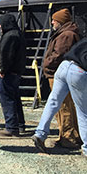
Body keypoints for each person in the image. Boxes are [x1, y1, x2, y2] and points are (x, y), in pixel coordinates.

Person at [32, 37, 87, 157]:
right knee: (83, 111)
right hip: (79, 71)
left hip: (64, 66)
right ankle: (86, 148)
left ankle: (40, 134)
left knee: (53, 102)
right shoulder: (70, 33)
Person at [42, 8, 81, 148]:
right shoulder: (67, 33)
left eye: (54, 20)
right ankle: (67, 135)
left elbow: (59, 55)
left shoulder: (66, 35)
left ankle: (69, 138)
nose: (52, 22)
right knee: (64, 107)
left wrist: (46, 63)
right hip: (60, 74)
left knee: (64, 107)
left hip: (59, 75)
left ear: (60, 21)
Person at [0, 13, 26, 137]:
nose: (0, 26)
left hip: (8, 73)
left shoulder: (9, 36)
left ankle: (11, 127)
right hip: (16, 72)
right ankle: (20, 125)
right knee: (16, 99)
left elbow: (6, 55)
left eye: (1, 23)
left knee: (7, 99)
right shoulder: (18, 34)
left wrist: (2, 69)